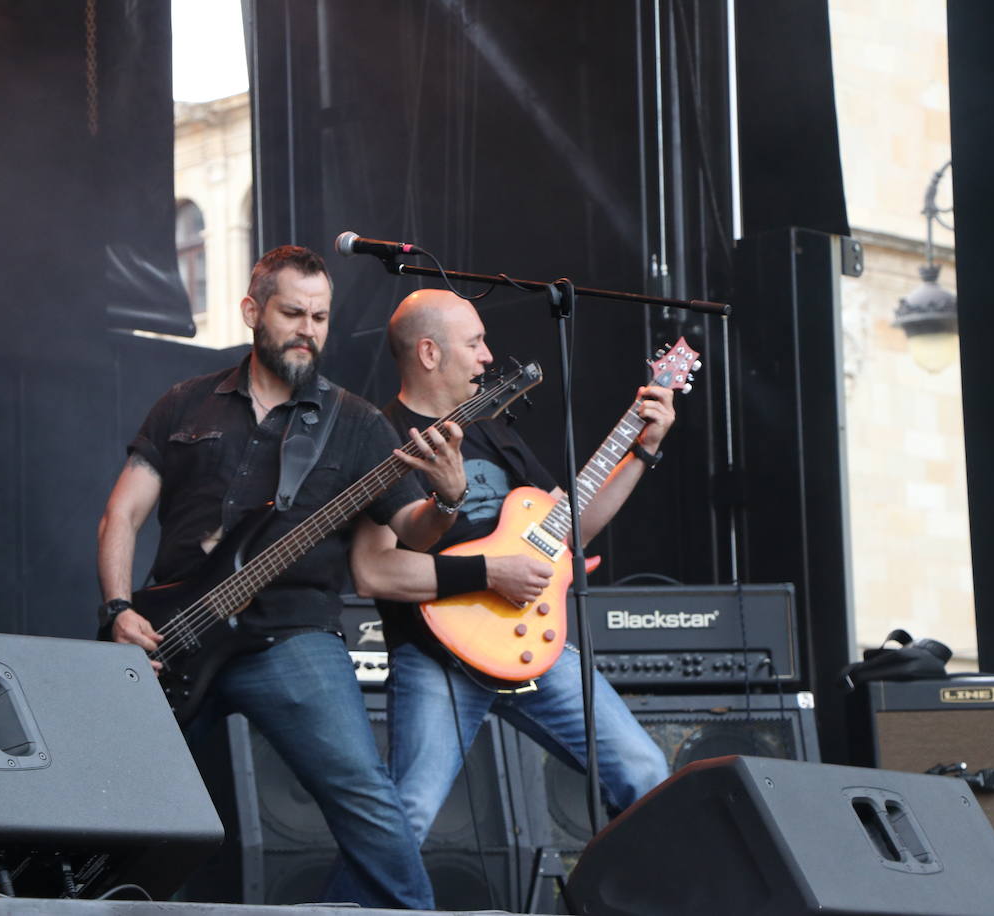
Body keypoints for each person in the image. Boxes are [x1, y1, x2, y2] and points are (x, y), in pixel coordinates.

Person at [95, 246, 469, 909]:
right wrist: (120, 609)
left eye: (321, 317)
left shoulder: (356, 423)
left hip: (292, 636)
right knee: (115, 804)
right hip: (171, 639)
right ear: (252, 311)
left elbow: (412, 529)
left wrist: (444, 499)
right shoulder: (184, 405)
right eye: (293, 312)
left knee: (367, 799)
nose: (309, 330)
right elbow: (121, 514)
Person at [349, 287, 673, 852]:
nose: (487, 356)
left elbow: (567, 528)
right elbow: (375, 573)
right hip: (436, 658)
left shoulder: (494, 431)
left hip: (531, 645)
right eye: (474, 342)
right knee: (407, 818)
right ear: (429, 353)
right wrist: (489, 572)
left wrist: (642, 448)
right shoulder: (383, 438)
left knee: (646, 772)